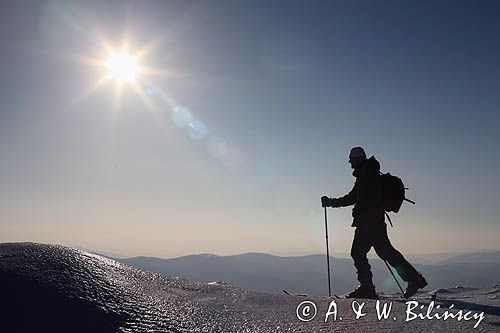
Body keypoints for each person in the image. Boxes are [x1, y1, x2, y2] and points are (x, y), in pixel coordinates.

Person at [321, 147, 427, 299]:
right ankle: (414, 279)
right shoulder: (369, 173)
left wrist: (330, 202)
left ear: (358, 159)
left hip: (367, 223)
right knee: (386, 253)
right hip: (374, 221)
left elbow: (354, 198)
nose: (349, 162)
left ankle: (367, 288)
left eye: (351, 159)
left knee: (358, 252)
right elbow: (357, 198)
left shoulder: (366, 175)